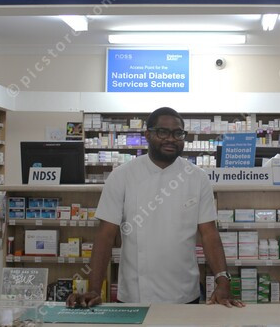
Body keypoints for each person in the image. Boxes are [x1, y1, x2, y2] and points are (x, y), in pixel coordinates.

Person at [67, 107, 243, 308]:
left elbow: (209, 234)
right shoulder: (122, 176)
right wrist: (94, 289)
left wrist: (223, 281)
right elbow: (105, 236)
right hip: (135, 294)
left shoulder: (197, 177)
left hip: (184, 292)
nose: (171, 139)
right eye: (163, 132)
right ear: (148, 135)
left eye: (178, 133)